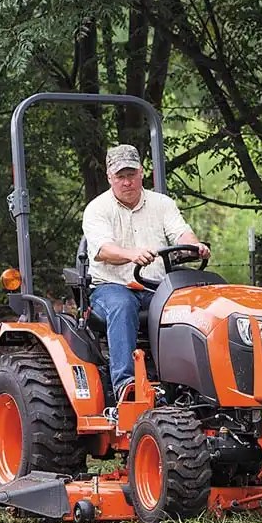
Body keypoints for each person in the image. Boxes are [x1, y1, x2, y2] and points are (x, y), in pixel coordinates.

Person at [82, 144, 210, 406]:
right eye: (120, 176)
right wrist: (131, 254)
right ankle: (126, 386)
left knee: (189, 308)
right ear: (110, 177)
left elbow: (181, 233)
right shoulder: (97, 209)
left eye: (131, 174)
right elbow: (103, 250)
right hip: (111, 287)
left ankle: (187, 384)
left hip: (155, 286)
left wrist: (195, 246)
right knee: (122, 305)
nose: (127, 182)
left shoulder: (162, 204)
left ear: (142, 173)